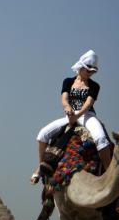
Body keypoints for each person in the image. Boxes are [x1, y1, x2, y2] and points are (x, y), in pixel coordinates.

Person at [31, 50, 111, 183]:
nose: (90, 73)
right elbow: (64, 99)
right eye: (88, 70)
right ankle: (40, 167)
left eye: (93, 72)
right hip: (70, 115)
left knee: (101, 139)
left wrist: (77, 115)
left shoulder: (94, 86)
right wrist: (68, 108)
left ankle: (109, 173)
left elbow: (88, 103)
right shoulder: (68, 81)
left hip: (87, 115)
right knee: (42, 135)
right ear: (81, 68)